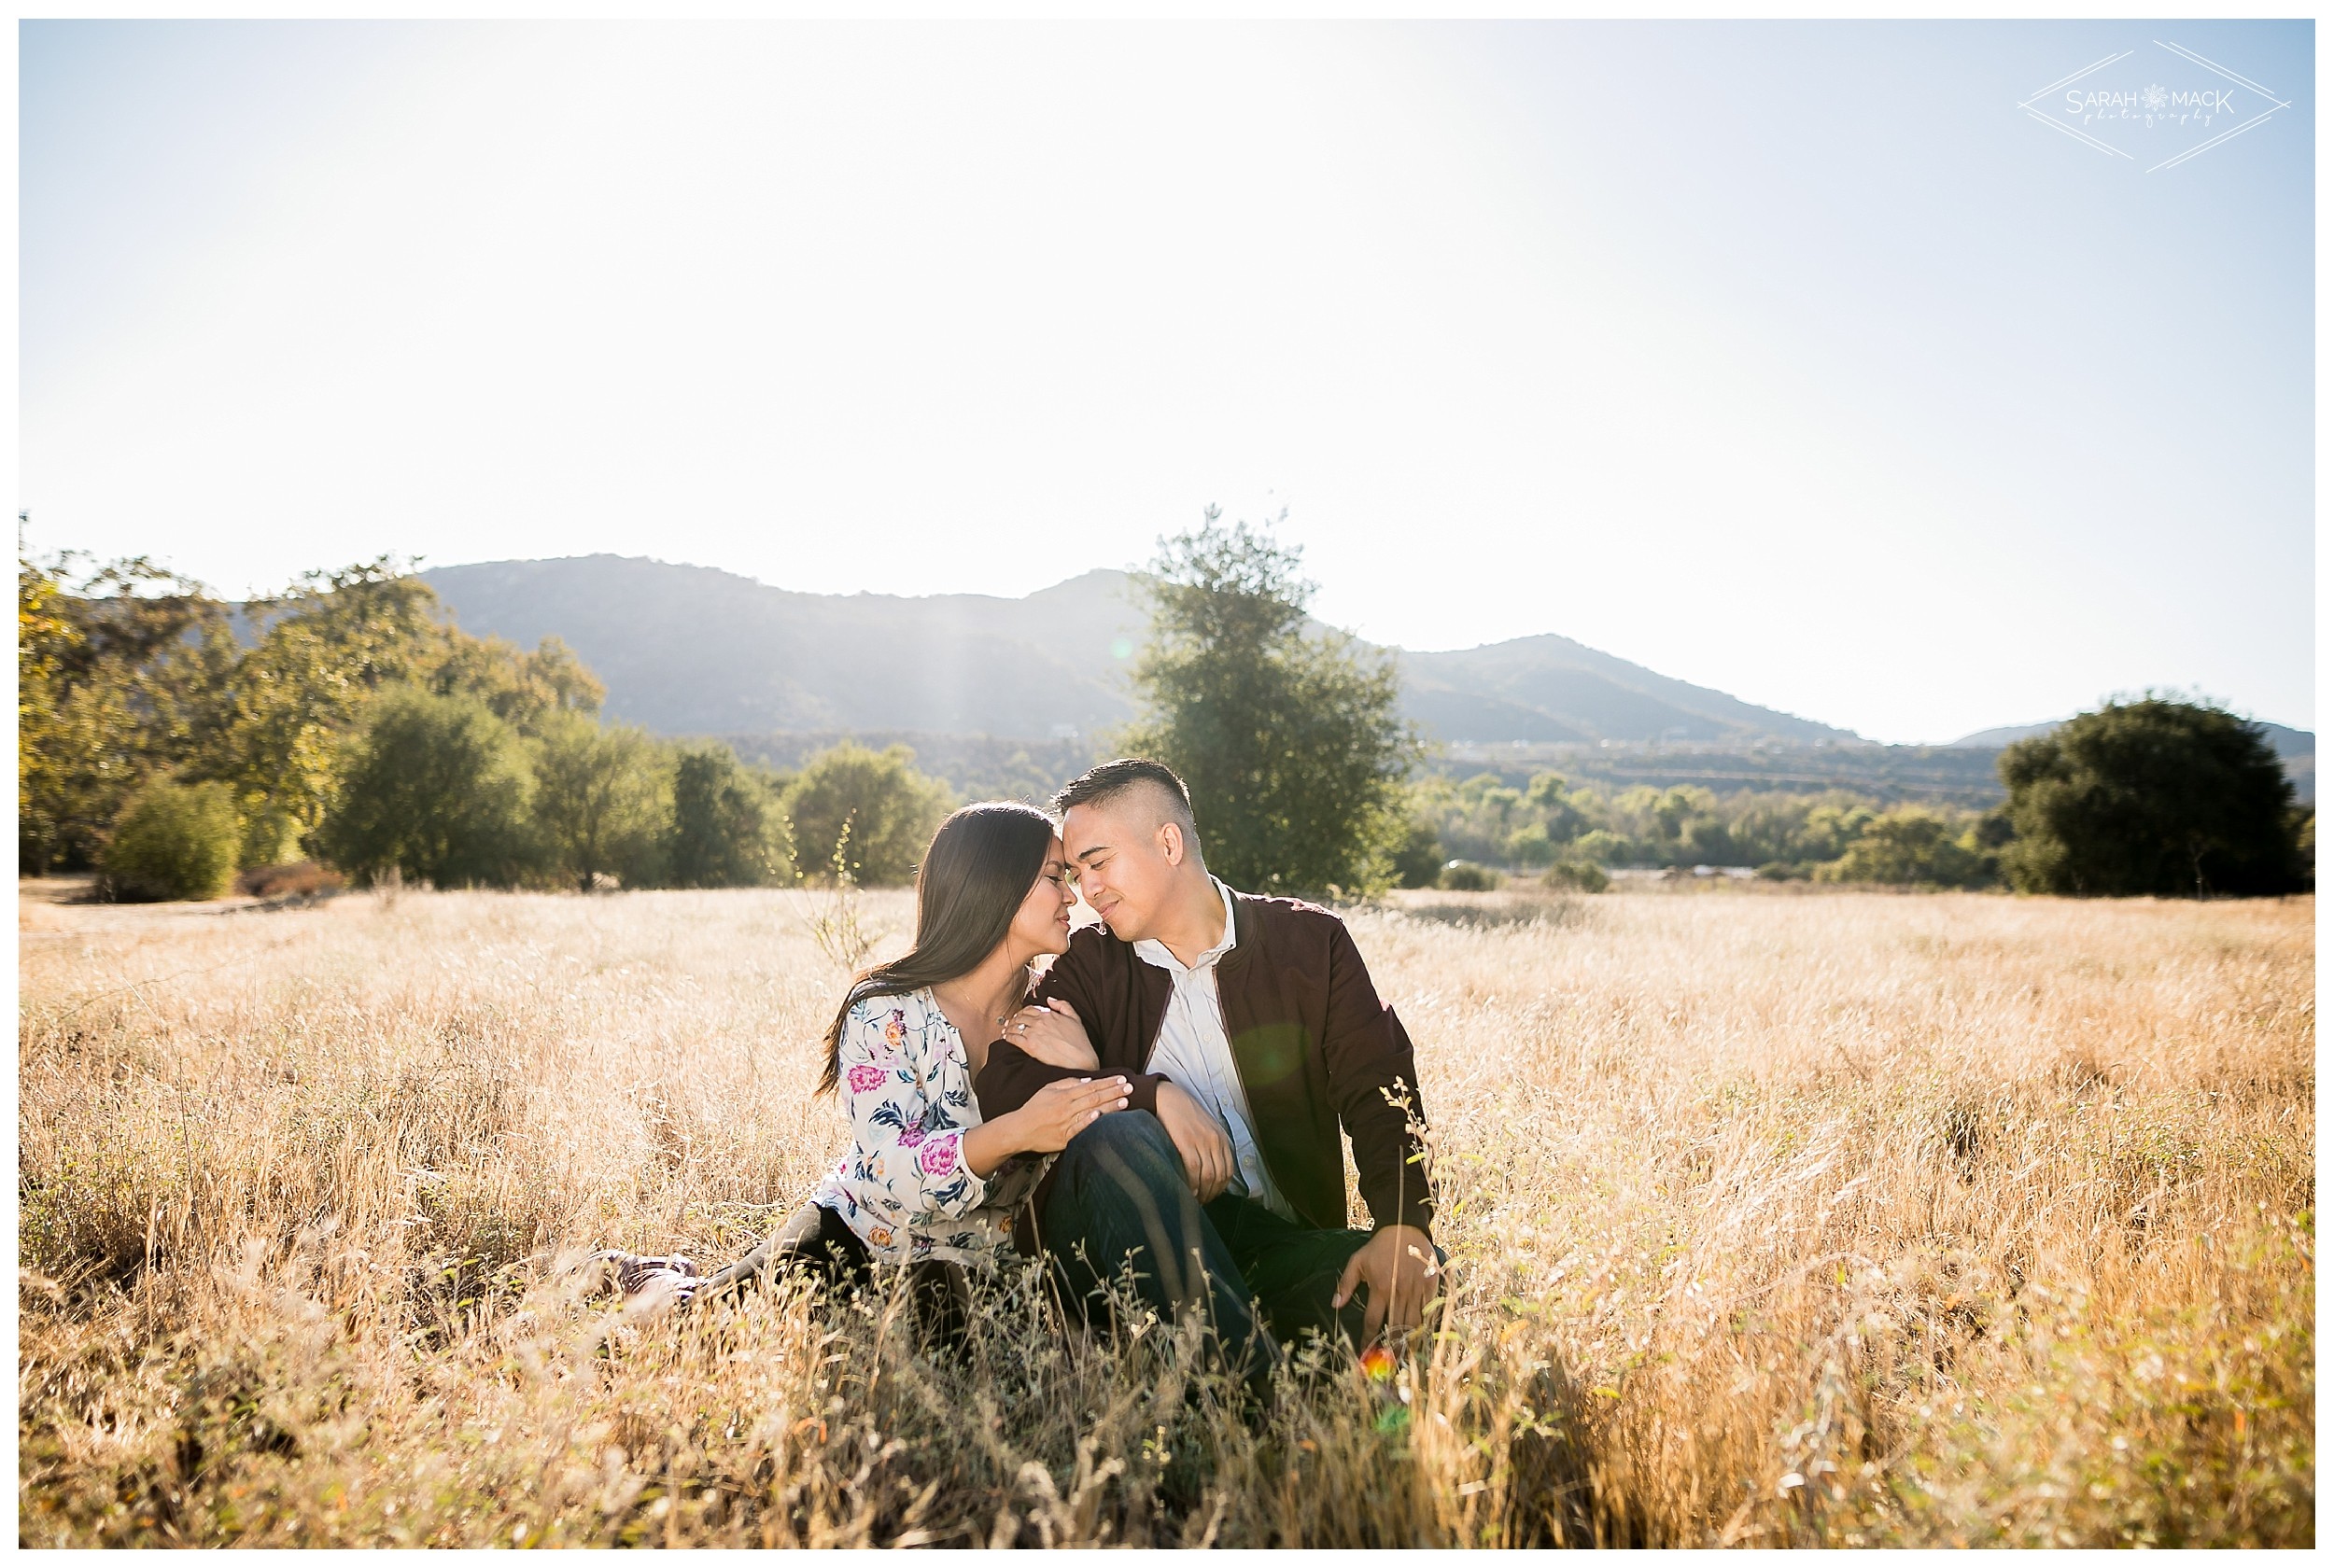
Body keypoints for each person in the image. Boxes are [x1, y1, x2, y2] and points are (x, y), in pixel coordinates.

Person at [974, 758, 1438, 1382]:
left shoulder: (1310, 944)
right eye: (1076, 873)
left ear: (1168, 843)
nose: (1087, 891)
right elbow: (1004, 1091)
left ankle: (1224, 1347)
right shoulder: (1090, 966)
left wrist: (1403, 1222)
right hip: (1132, 1254)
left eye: (1099, 862)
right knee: (1118, 1136)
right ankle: (1258, 1396)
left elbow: (1380, 1087)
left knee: (1421, 1284)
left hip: (1274, 1246)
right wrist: (1146, 1093)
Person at [598, 802, 1132, 1340]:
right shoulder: (885, 1010)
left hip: (986, 1269)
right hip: (858, 1235)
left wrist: (1088, 1068)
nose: (1072, 895)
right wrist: (1017, 1131)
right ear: (994, 884)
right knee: (687, 1334)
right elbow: (894, 1169)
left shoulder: (1058, 1011)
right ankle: (660, 1279)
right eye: (1052, 877)